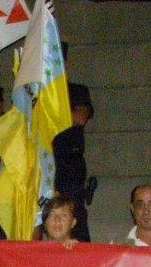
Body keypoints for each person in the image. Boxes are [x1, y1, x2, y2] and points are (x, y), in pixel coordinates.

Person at [52, 82, 95, 242]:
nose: (86, 116)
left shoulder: (74, 133)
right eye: (83, 110)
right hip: (66, 198)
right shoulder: (64, 136)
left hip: (74, 196)